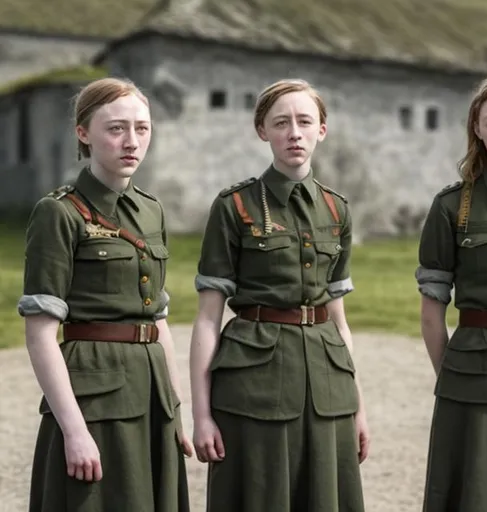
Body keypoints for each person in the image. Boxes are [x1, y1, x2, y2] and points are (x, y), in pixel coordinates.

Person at [189, 78, 369, 512]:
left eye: (305, 121)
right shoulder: (234, 207)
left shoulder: (336, 209)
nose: (294, 132)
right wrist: (201, 414)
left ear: (321, 130)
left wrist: (357, 406)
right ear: (262, 130)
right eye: (281, 122)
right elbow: (208, 318)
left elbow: (338, 320)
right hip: (254, 387)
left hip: (327, 389)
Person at [17, 77, 192, 512]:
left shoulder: (152, 210)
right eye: (116, 128)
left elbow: (158, 320)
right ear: (83, 133)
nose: (131, 141)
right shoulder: (58, 213)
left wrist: (174, 407)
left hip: (151, 391)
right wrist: (74, 430)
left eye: (142, 128)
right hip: (94, 398)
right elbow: (41, 334)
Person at [417, 73, 487, 511]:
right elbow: (432, 312)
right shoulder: (452, 207)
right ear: (477, 128)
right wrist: (450, 378)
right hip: (473, 373)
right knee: (474, 492)